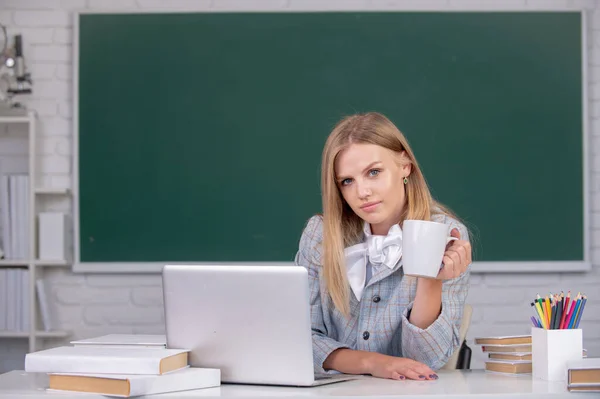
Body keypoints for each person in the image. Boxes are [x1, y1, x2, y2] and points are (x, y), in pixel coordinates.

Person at [294, 112, 472, 381]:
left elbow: (426, 361)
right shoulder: (320, 235)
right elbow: (299, 339)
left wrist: (431, 280)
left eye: (374, 172)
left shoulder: (445, 234)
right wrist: (372, 362)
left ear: (405, 166)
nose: (362, 192)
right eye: (347, 181)